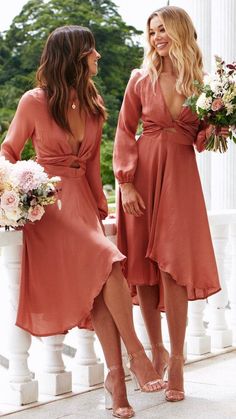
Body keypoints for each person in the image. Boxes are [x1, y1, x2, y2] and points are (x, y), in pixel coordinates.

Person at [0, 25, 165, 418]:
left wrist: (100, 207)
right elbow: (8, 152)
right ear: (74, 57)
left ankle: (116, 383)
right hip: (52, 210)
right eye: (91, 52)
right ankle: (138, 358)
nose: (98, 57)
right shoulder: (33, 101)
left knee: (101, 294)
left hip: (84, 211)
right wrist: (26, 189)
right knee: (109, 262)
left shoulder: (94, 106)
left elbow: (91, 166)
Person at [113, 6, 227, 403]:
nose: (157, 36)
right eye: (152, 30)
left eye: (163, 29)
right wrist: (125, 184)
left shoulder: (203, 84)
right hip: (142, 174)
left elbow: (200, 141)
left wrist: (219, 123)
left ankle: (177, 358)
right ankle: (156, 348)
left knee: (174, 266)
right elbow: (125, 130)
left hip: (180, 176)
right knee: (144, 268)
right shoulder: (139, 79)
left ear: (179, 31)